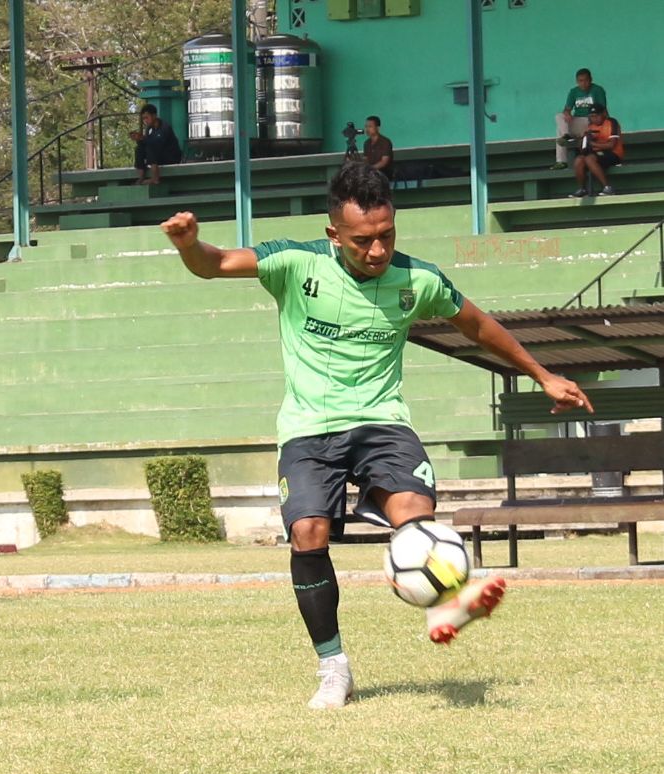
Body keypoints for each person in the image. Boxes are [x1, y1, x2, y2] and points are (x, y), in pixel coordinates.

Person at [160, 163, 594, 710]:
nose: (377, 250)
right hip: (309, 428)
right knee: (309, 534)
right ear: (333, 235)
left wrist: (542, 374)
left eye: (387, 235)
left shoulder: (418, 281)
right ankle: (333, 668)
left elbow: (478, 324)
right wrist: (189, 245)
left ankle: (447, 603)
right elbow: (217, 263)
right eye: (363, 240)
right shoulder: (296, 265)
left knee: (416, 517)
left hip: (382, 422)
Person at [553, 68, 607, 170]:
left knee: (559, 130)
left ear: (590, 79)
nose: (583, 83)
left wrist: (605, 124)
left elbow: (602, 111)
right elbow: (567, 109)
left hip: (590, 122)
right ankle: (563, 153)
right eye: (580, 81)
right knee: (559, 117)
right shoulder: (574, 92)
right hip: (577, 121)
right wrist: (567, 114)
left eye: (586, 80)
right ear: (577, 81)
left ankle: (562, 154)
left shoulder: (598, 90)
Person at [571, 105, 624, 198]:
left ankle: (607, 187)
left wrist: (592, 144)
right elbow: (584, 149)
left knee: (589, 159)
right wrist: (584, 141)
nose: (594, 119)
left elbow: (611, 145)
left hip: (614, 154)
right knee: (579, 159)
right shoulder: (590, 126)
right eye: (591, 116)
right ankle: (582, 189)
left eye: (596, 116)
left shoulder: (611, 122)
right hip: (597, 154)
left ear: (603, 114)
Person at [130, 103, 182, 185]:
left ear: (154, 116)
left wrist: (144, 139)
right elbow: (146, 143)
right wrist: (139, 139)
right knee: (138, 149)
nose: (145, 121)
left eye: (147, 118)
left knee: (151, 147)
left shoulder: (165, 127)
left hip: (171, 156)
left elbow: (158, 143)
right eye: (143, 119)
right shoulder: (149, 129)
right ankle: (141, 176)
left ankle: (155, 178)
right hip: (159, 156)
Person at [361, 116, 393, 180]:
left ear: (377, 128)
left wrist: (370, 169)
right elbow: (365, 159)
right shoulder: (366, 143)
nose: (367, 129)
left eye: (370, 126)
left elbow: (384, 162)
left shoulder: (385, 142)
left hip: (383, 174)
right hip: (370, 174)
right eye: (366, 126)